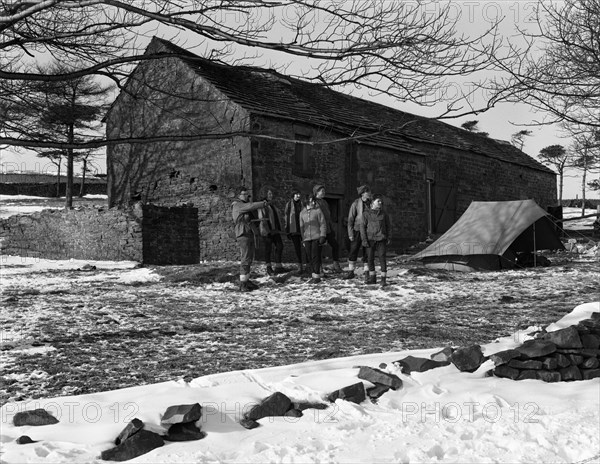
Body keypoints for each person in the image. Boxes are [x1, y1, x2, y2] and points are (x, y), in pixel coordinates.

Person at [231, 187, 268, 292]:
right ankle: (243, 283)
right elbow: (250, 206)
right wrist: (262, 203)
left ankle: (246, 280)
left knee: (249, 258)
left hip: (248, 232)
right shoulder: (238, 205)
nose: (247, 196)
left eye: (248, 194)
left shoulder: (243, 205)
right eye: (245, 194)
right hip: (243, 233)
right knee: (245, 258)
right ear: (239, 195)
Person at [360, 194, 392, 287]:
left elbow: (388, 226)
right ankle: (372, 278)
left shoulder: (384, 214)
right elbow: (362, 227)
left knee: (382, 258)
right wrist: (364, 240)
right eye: (378, 201)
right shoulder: (366, 214)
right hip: (370, 240)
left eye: (381, 201)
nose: (380, 203)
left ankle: (383, 279)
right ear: (372, 202)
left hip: (381, 239)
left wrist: (389, 237)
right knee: (370, 259)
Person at [312, 184, 343, 275]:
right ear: (316, 192)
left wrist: (331, 229)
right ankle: (319, 268)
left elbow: (328, 217)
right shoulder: (314, 202)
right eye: (322, 191)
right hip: (319, 230)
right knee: (318, 250)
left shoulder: (325, 202)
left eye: (324, 191)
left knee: (335, 245)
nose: (323, 192)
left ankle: (336, 265)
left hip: (328, 229)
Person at [257, 186, 288, 275]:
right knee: (268, 249)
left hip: (275, 230)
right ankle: (269, 268)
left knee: (280, 246)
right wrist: (266, 230)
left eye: (271, 193)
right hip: (267, 230)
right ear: (265, 194)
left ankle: (278, 266)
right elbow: (261, 217)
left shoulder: (271, 204)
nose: (271, 195)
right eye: (269, 193)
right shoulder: (262, 204)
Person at [344, 185, 372, 282]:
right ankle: (351, 271)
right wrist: (350, 233)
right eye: (367, 192)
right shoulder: (356, 203)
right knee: (354, 250)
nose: (369, 193)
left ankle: (367, 272)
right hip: (357, 230)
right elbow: (350, 219)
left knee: (367, 251)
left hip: (368, 231)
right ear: (362, 193)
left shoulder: (371, 203)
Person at [299, 194, 327, 284]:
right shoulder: (302, 213)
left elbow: (323, 223)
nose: (313, 202)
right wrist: (303, 239)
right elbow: (301, 227)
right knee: (309, 257)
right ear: (306, 201)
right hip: (307, 238)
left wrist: (323, 235)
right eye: (311, 200)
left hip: (316, 237)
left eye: (314, 200)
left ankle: (316, 277)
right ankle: (313, 275)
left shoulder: (318, 211)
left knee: (315, 257)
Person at [284, 189, 308, 274]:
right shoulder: (289, 205)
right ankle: (300, 266)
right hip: (294, 229)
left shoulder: (302, 204)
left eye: (299, 194)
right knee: (297, 248)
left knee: (306, 247)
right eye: (296, 194)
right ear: (293, 195)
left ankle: (308, 265)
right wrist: (287, 230)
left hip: (303, 229)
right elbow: (286, 217)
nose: (298, 195)